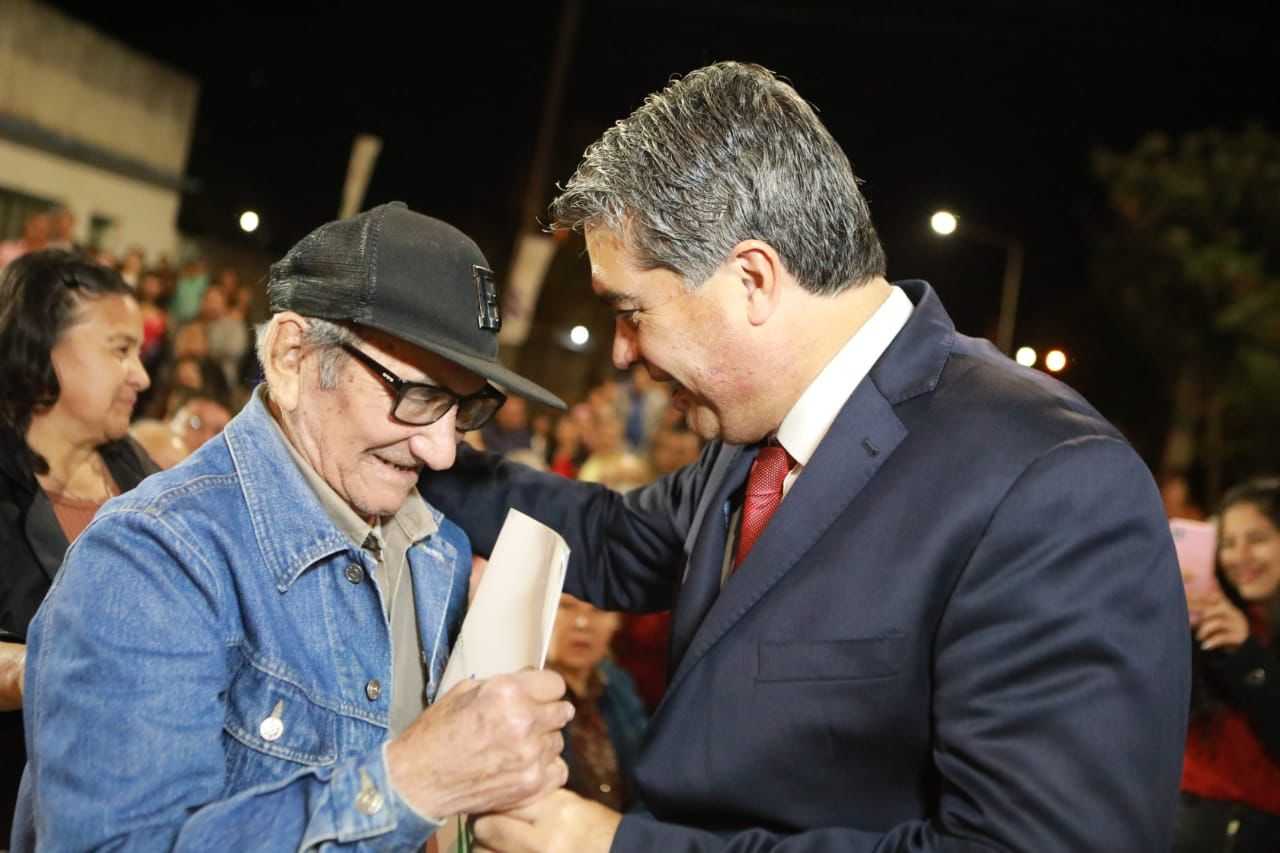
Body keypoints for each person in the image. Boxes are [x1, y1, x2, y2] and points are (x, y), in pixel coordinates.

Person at [419, 62, 1190, 852]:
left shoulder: (1053, 483)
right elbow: (608, 537)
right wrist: (413, 444)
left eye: (631, 311)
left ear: (752, 279)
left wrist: (614, 846)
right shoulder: (755, 443)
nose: (621, 352)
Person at [14, 202, 573, 850]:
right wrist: (412, 781)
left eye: (467, 407)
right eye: (417, 395)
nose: (443, 450)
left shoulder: (438, 550)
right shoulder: (151, 560)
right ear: (290, 357)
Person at [0, 250, 156, 841]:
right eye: (120, 350)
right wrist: (48, 669)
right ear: (43, 347)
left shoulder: (139, 474)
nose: (141, 376)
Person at [1175, 477, 1280, 852]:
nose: (1239, 556)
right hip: (1189, 824)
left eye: (1257, 539)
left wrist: (1248, 655)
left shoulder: (1246, 633)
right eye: (1228, 543)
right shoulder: (1219, 620)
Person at [545, 594, 647, 813]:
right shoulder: (524, 695)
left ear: (616, 622)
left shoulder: (619, 686)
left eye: (599, 609)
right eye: (565, 606)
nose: (582, 623)